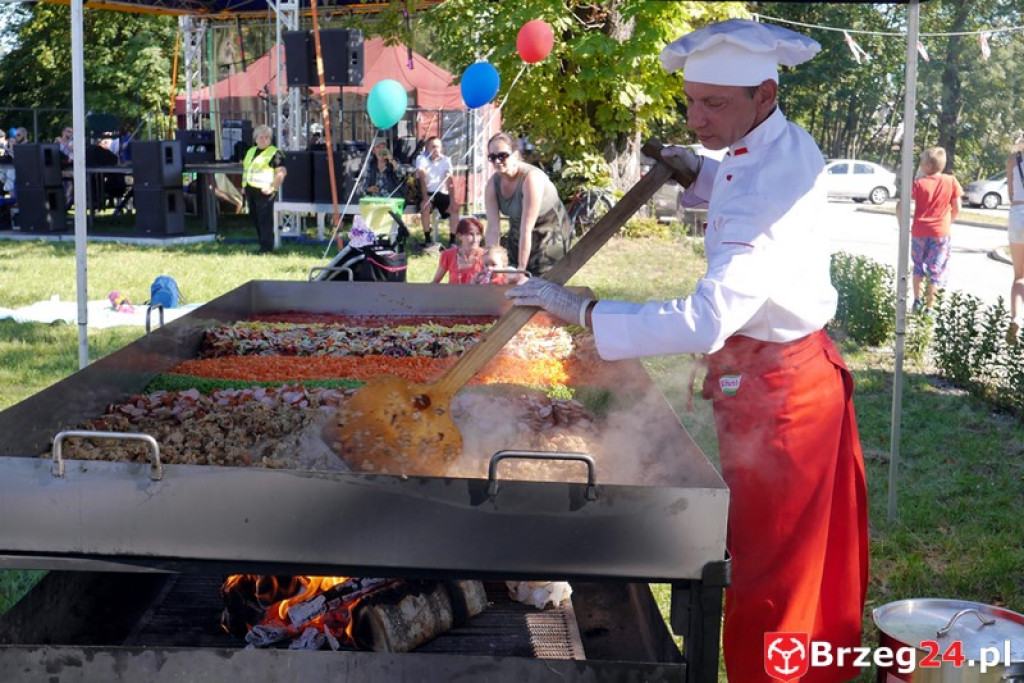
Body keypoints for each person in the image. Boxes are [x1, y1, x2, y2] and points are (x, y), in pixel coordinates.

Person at [506, 18, 869, 683]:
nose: (695, 117)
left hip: (786, 401)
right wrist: (695, 172)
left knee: (775, 580)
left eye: (714, 104)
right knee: (789, 567)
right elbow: (735, 177)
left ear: (764, 94)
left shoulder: (766, 194)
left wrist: (587, 311)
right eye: (691, 100)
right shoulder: (781, 142)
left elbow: (707, 320)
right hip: (778, 376)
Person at [483, 132, 571, 277]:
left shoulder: (531, 179)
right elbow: (493, 229)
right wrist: (489, 265)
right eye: (492, 157)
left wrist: (521, 270)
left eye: (502, 155)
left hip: (550, 228)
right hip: (519, 226)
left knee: (540, 280)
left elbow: (527, 229)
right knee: (507, 273)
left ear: (515, 154)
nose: (497, 161)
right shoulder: (492, 185)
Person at [899, 147, 962, 316]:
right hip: (941, 233)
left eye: (921, 162)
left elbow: (901, 205)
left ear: (927, 165)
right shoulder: (951, 181)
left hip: (919, 231)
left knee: (918, 266)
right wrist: (948, 222)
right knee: (936, 270)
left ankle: (917, 300)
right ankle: (930, 307)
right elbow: (957, 207)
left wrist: (902, 225)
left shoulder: (919, 184)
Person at [241, 124, 287, 254]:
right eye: (261, 137)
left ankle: (266, 248)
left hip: (265, 189)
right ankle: (262, 243)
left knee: (265, 220)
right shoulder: (251, 151)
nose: (264, 140)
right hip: (251, 189)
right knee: (255, 217)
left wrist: (273, 187)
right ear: (255, 139)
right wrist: (244, 187)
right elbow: (247, 169)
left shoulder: (275, 153)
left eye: (267, 137)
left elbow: (281, 173)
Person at [415, 135, 458, 248]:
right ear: (427, 148)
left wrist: (453, 200)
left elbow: (450, 181)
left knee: (454, 209)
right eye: (433, 146)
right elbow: (422, 177)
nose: (436, 149)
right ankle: (427, 239)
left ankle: (452, 241)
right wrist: (425, 198)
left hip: (442, 193)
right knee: (425, 207)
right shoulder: (421, 159)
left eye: (438, 147)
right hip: (427, 192)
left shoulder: (446, 160)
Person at [1006, 137, 1024, 343]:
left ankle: (1016, 317)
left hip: (1018, 212)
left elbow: (1011, 194)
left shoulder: (1013, 159)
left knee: (1019, 276)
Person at [431, 216, 484, 284]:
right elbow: (435, 282)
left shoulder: (485, 255)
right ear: (459, 236)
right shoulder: (448, 255)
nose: (475, 239)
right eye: (470, 234)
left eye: (478, 234)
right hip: (453, 294)